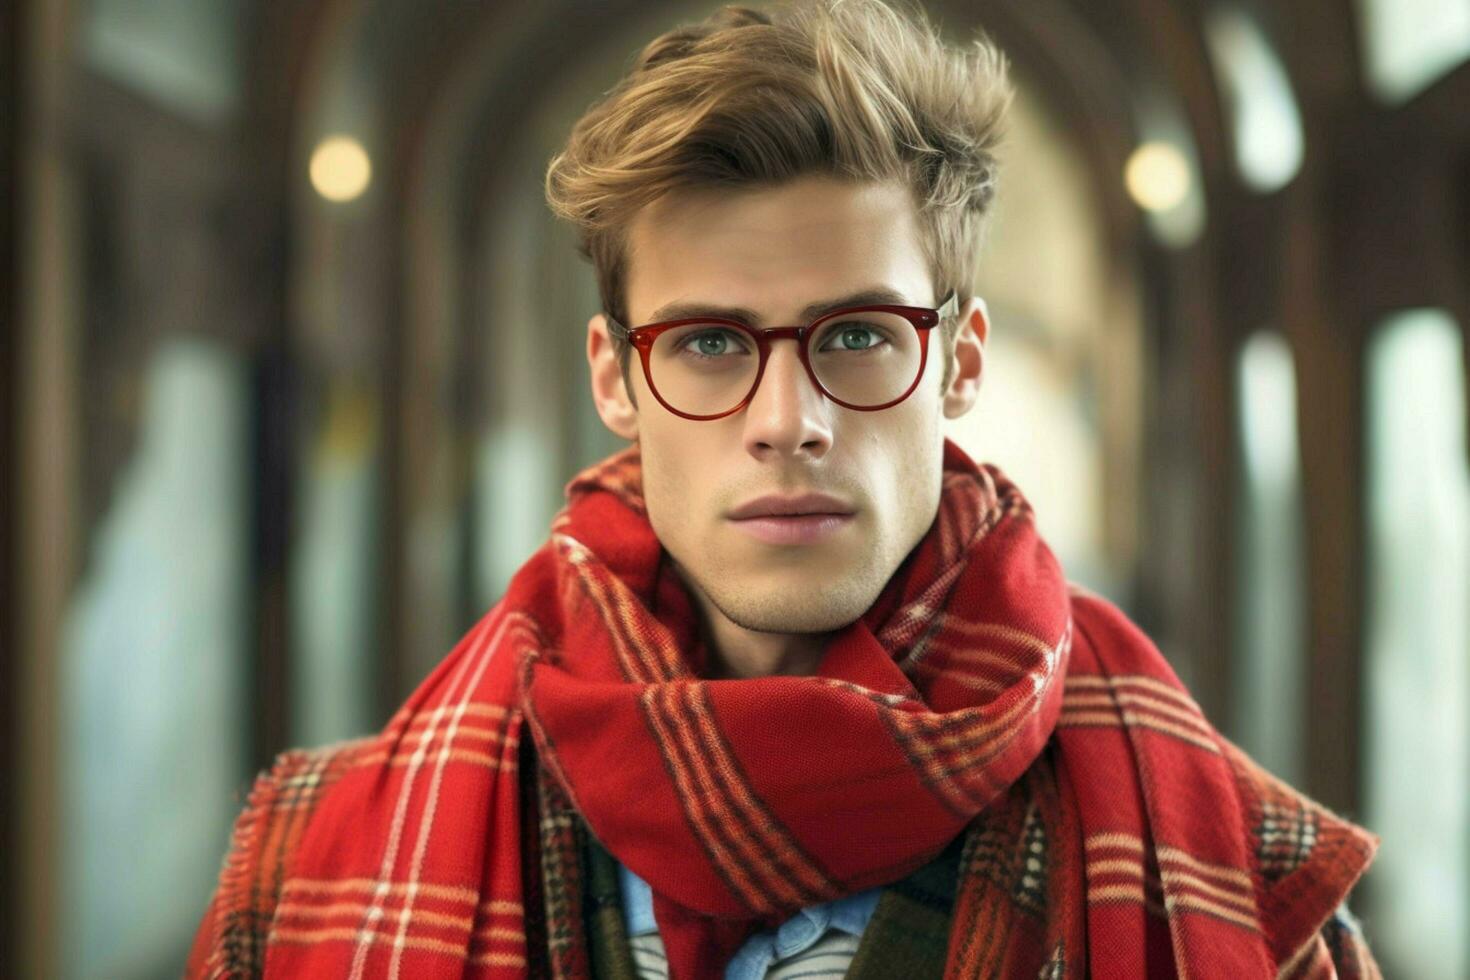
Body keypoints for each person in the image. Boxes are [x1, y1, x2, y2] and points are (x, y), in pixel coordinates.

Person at [187, 1, 1381, 977]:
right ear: (617, 374)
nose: (787, 422)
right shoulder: (304, 870)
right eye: (709, 343)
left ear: (956, 361)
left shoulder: (1243, 885)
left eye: (856, 336)